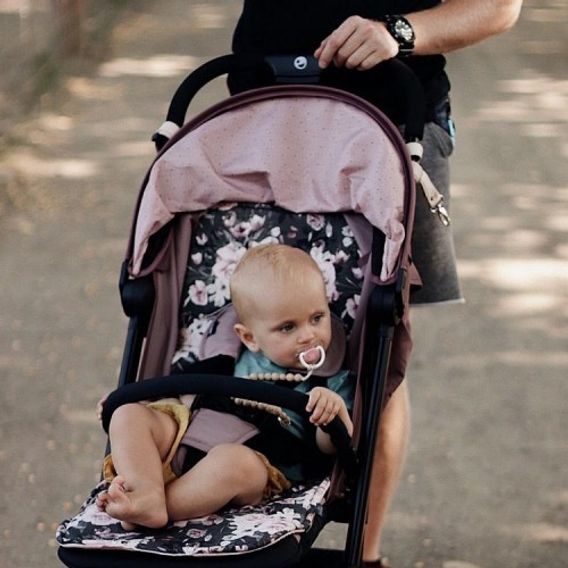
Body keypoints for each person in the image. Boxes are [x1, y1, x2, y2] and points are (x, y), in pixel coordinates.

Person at [228, 2, 522, 566]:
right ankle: (235, 520)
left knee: (375, 351)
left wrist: (400, 34)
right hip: (254, 118)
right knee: (245, 318)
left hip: (390, 122)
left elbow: (499, 6)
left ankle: (364, 554)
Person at [96, 244, 354, 530]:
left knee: (232, 462)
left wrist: (333, 412)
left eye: (317, 318)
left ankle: (154, 509)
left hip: (262, 461)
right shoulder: (227, 355)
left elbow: (331, 447)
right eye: (287, 327)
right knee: (127, 414)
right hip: (188, 432)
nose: (309, 335)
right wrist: (132, 401)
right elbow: (179, 392)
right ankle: (144, 491)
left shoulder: (328, 380)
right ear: (249, 337)